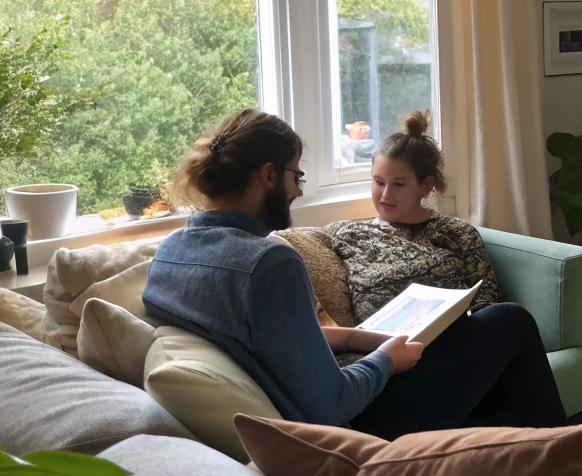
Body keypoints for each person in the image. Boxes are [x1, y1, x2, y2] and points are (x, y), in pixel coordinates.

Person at [142, 109, 424, 427]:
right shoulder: (270, 264)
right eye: (296, 176)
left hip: (276, 418)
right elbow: (332, 406)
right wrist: (386, 360)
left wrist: (357, 339)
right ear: (269, 175)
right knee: (487, 324)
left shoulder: (168, 253)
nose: (298, 191)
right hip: (341, 431)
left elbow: (263, 340)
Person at [323, 110, 569, 439]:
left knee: (510, 318)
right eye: (378, 182)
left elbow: (486, 303)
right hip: (382, 375)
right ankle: (566, 454)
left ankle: (551, 457)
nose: (385, 195)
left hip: (443, 357)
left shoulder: (455, 233)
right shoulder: (344, 234)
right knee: (516, 324)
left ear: (425, 186)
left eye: (398, 184)